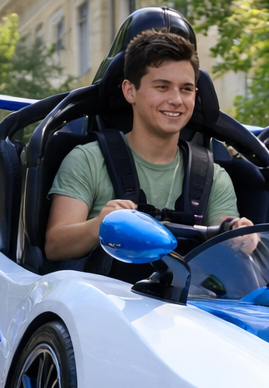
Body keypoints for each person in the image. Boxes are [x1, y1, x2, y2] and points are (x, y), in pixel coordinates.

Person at [46, 29, 252, 276]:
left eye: (186, 89)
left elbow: (225, 237)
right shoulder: (87, 160)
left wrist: (239, 237)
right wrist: (99, 225)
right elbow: (55, 246)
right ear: (130, 91)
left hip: (182, 298)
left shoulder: (213, 176)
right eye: (162, 87)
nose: (176, 100)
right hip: (101, 296)